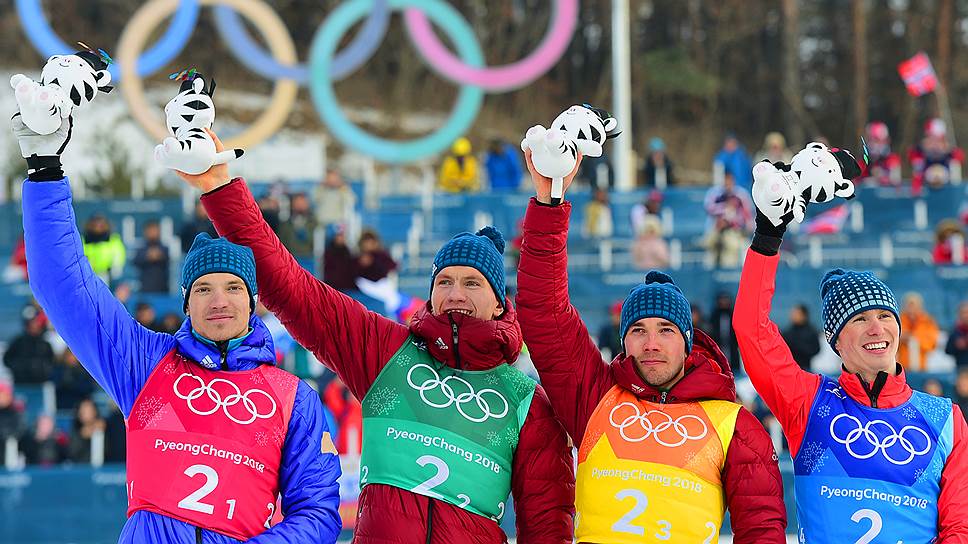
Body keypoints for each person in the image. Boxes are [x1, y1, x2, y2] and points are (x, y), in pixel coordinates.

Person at [183, 130, 576, 542]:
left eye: (472, 284)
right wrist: (220, 188)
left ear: (500, 303)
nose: (455, 294)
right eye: (443, 282)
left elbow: (548, 526)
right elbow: (291, 289)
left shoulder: (526, 404)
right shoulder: (388, 352)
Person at [14, 113, 341, 543]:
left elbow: (318, 514)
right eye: (203, 288)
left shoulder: (293, 397)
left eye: (233, 288)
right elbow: (63, 285)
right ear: (186, 302)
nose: (219, 300)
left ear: (254, 301)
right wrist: (44, 170)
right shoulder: (146, 363)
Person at [516, 150, 787, 543]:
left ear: (688, 341)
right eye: (638, 331)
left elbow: (762, 529)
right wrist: (548, 202)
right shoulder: (594, 397)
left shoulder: (733, 424)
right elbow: (543, 311)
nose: (651, 343)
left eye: (666, 330)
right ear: (623, 340)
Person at [733, 183, 968, 542]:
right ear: (837, 342)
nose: (877, 328)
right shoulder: (808, 401)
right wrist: (767, 237)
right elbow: (752, 330)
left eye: (884, 316)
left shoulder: (945, 419)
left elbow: (959, 527)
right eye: (859, 320)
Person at [3, 305, 55, 384]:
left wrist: (42, 369)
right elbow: (7, 360)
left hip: (40, 385)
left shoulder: (45, 345)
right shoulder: (18, 342)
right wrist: (20, 367)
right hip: (21, 384)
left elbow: (51, 363)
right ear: (26, 325)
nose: (35, 326)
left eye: (37, 323)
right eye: (32, 323)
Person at [898, 292, 940, 372]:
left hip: (922, 367)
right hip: (902, 367)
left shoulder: (928, 321)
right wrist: (900, 339)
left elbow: (932, 343)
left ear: (920, 306)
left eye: (913, 304)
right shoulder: (898, 321)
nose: (911, 308)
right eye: (909, 304)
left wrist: (913, 338)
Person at [81, 213, 126, 285]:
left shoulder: (113, 240)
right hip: (86, 276)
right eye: (95, 225)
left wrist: (115, 270)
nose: (98, 228)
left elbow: (118, 257)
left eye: (101, 225)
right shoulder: (82, 240)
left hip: (107, 276)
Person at [133, 220, 171, 293]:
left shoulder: (165, 248)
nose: (152, 233)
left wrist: (158, 255)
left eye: (154, 230)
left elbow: (167, 259)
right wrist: (147, 256)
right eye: (150, 230)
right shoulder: (141, 249)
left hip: (162, 288)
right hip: (145, 288)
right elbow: (136, 261)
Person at [781, 303, 821, 371]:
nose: (793, 316)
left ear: (804, 315)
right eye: (793, 313)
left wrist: (798, 346)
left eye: (796, 314)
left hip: (805, 368)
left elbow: (816, 349)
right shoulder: (787, 332)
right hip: (789, 368)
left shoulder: (811, 331)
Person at [945, 301, 968, 369]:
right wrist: (956, 345)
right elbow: (948, 350)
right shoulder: (955, 331)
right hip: (961, 368)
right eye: (963, 313)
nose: (966, 315)